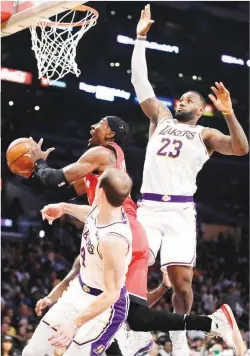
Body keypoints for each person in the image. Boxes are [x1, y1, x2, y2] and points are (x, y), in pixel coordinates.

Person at [131, 4, 249, 356]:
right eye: (182, 97)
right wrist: (140, 38)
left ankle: (180, 341)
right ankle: (128, 326)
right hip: (149, 207)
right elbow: (141, 83)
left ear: (200, 110)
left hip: (181, 212)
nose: (182, 100)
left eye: (191, 99)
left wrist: (229, 115)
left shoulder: (207, 134)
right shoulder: (162, 118)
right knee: (136, 264)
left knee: (182, 284)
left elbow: (242, 148)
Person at [28, 116, 170, 355]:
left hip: (120, 227)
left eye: (100, 123)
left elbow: (55, 179)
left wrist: (36, 165)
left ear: (110, 134)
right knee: (82, 271)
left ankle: (137, 340)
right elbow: (71, 188)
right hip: (105, 223)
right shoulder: (108, 162)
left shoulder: (102, 155)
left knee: (123, 304)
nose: (93, 125)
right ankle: (130, 338)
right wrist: (62, 206)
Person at [40, 200, 246, 356]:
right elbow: (135, 304)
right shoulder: (93, 250)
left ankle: (210, 323)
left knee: (123, 318)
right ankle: (210, 323)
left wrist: (45, 177)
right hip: (130, 233)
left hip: (127, 231)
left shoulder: (102, 170)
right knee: (134, 318)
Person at [22, 168, 133, 356]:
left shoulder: (114, 240)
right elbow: (90, 214)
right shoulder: (104, 211)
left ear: (101, 192)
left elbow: (111, 294)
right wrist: (63, 208)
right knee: (32, 352)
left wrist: (74, 324)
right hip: (78, 292)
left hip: (104, 307)